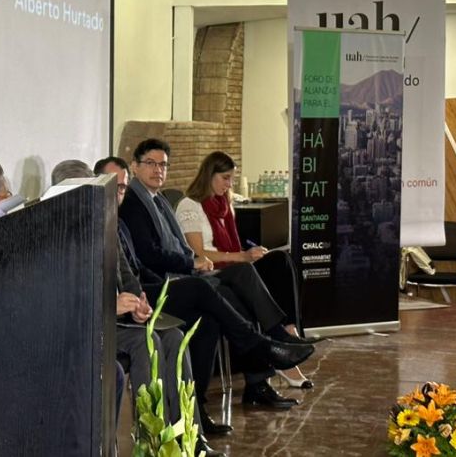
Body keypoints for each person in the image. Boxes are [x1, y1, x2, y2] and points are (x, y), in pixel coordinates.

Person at [97, 157, 311, 434]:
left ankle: (195, 423)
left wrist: (139, 295)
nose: (158, 170)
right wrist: (187, 267)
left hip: (154, 288)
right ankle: (261, 351)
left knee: (211, 315)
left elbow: (130, 272)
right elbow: (150, 259)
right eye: (151, 163)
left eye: (122, 188)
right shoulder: (133, 210)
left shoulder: (146, 207)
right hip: (159, 286)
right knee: (216, 286)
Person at [49, 160, 224, 457]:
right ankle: (153, 442)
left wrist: (138, 301)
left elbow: (127, 274)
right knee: (150, 342)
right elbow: (61, 299)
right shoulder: (53, 236)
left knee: (176, 337)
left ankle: (188, 438)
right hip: (88, 325)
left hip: (120, 319)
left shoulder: (106, 222)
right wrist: (109, 306)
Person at [176, 151, 316, 389]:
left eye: (232, 179)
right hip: (211, 273)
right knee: (246, 273)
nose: (230, 184)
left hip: (233, 265)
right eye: (225, 178)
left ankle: (290, 330)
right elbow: (199, 254)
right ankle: (280, 337)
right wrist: (241, 256)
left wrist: (249, 254)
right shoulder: (190, 206)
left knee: (280, 260)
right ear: (210, 176)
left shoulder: (225, 205)